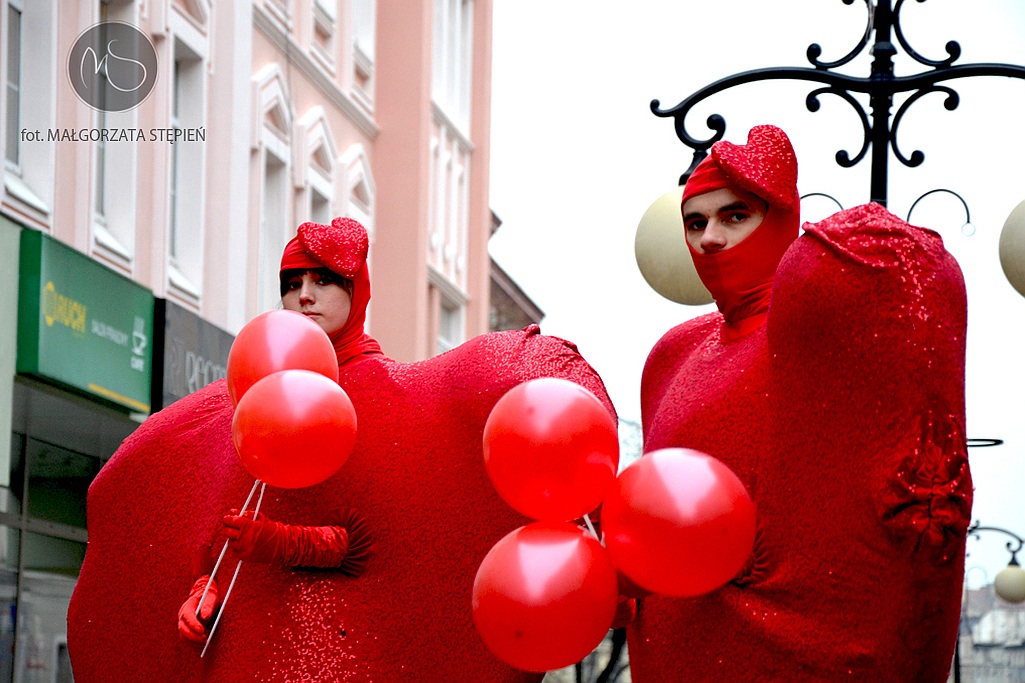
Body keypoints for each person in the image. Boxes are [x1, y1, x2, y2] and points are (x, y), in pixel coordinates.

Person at [67, 217, 617, 682]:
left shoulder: (396, 398)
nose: (303, 295)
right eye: (291, 281)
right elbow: (224, 518)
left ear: (358, 292)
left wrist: (282, 542)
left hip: (354, 653)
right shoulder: (245, 401)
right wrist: (204, 590)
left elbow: (365, 537)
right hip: (250, 649)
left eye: (325, 280)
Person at [629, 125, 972, 682]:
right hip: (672, 653)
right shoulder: (673, 355)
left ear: (783, 219)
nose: (710, 238)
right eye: (696, 222)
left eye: (735, 215)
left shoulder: (826, 335)